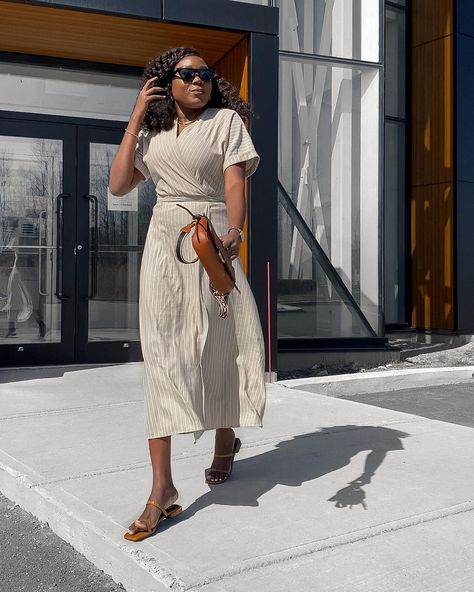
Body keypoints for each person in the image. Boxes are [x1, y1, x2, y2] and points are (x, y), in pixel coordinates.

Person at [109, 46, 266, 542]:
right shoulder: (153, 133)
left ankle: (225, 441)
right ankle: (162, 489)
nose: (198, 80)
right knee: (161, 360)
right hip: (163, 245)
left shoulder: (224, 123)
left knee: (220, 348)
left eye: (205, 74)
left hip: (211, 239)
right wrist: (136, 115)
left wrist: (235, 231)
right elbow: (116, 185)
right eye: (186, 74)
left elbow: (235, 182)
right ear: (166, 81)